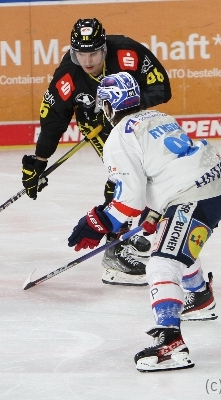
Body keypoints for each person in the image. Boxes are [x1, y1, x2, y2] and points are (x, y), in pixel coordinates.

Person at [66, 72, 221, 372]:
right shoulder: (158, 117)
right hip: (215, 186)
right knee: (171, 243)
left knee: (161, 263)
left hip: (192, 196)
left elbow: (128, 201)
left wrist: (98, 221)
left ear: (109, 106)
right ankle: (199, 296)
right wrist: (154, 212)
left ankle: (170, 342)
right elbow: (162, 169)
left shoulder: (119, 137)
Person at [22, 18, 171, 286]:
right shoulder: (68, 74)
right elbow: (54, 118)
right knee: (124, 176)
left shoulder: (128, 53)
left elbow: (162, 89)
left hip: (135, 118)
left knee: (150, 173)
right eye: (81, 54)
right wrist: (39, 160)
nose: (87, 60)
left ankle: (133, 230)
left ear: (104, 49)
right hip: (95, 124)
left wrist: (123, 107)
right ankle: (115, 248)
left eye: (93, 53)